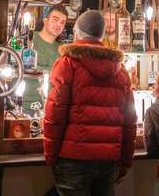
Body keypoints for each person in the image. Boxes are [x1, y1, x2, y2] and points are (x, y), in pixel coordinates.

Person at [44, 10, 137, 196]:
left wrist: (51, 156)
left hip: (73, 159)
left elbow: (55, 114)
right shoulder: (121, 71)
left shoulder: (67, 63)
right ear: (102, 35)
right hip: (109, 161)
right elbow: (130, 121)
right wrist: (125, 161)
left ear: (77, 31)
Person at [23, 5, 68, 113]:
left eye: (62, 22)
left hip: (48, 107)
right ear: (45, 20)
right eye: (55, 20)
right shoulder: (28, 40)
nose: (59, 25)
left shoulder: (62, 50)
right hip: (22, 104)